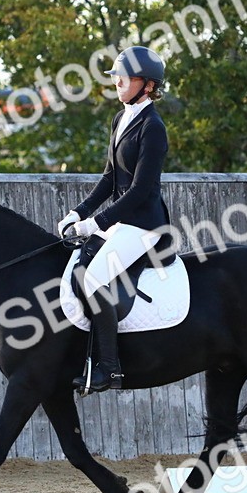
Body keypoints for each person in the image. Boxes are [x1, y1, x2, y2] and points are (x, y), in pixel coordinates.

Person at [57, 45, 170, 393]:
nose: (117, 82)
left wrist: (95, 223)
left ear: (147, 86)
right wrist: (78, 212)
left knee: (94, 279)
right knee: (76, 265)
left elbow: (138, 191)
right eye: (116, 77)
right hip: (121, 222)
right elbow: (109, 178)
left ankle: (109, 368)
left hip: (144, 225)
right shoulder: (120, 119)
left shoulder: (153, 127)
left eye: (124, 77)